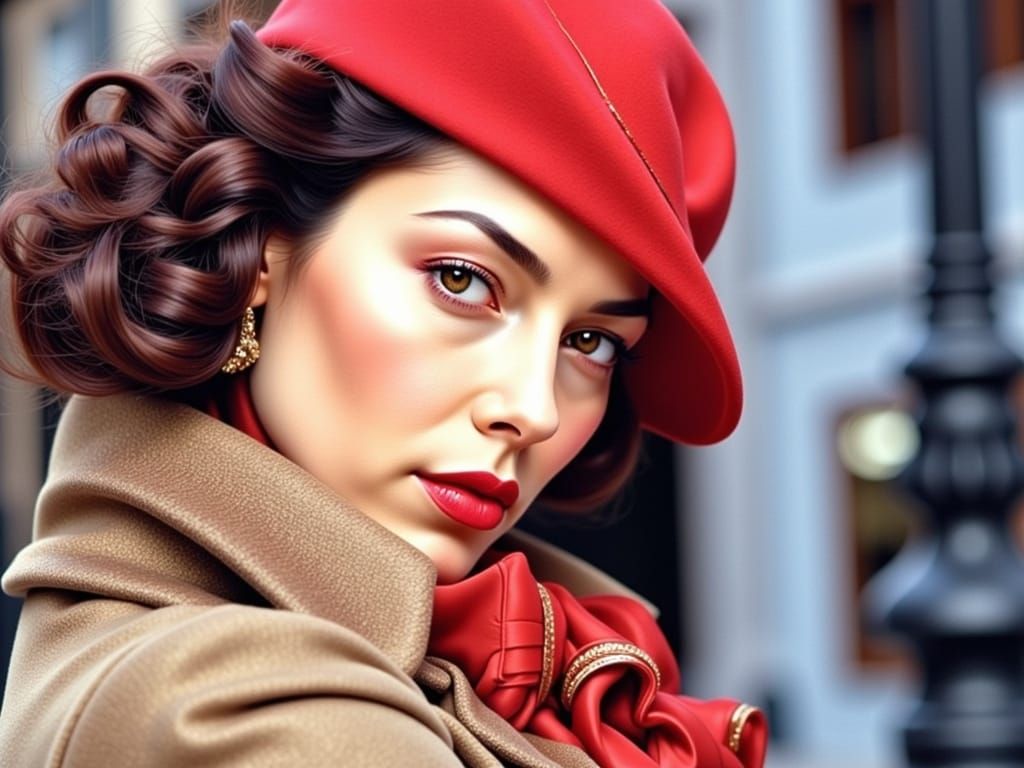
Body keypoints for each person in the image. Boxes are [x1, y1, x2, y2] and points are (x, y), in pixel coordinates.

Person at [0, 0, 766, 765]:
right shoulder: (264, 719)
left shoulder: (497, 656)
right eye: (462, 281)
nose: (532, 409)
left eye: (591, 341)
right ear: (263, 243)